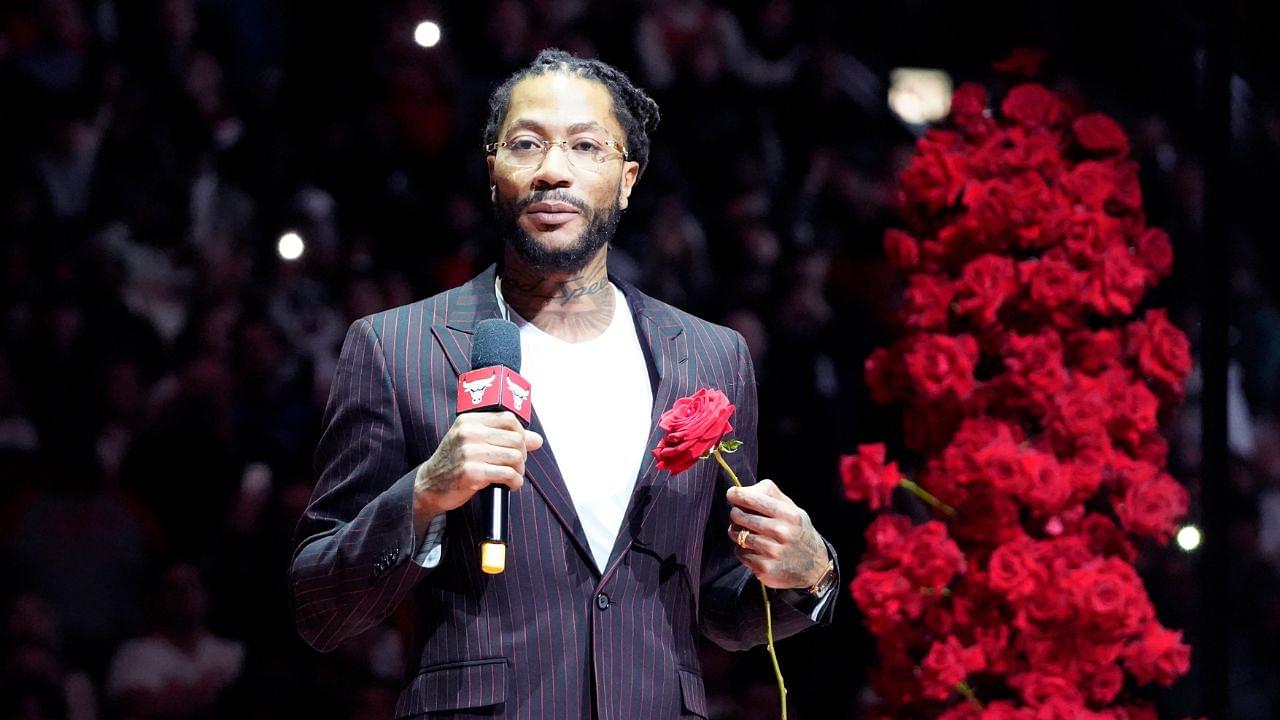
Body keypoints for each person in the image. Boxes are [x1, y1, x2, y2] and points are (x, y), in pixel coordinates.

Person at [290, 49, 838, 720]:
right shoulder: (395, 347)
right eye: (526, 144)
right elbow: (320, 608)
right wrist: (426, 492)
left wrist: (808, 575)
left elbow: (722, 608)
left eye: (586, 146)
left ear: (627, 178)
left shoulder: (710, 356)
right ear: (493, 171)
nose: (554, 170)